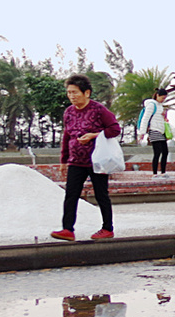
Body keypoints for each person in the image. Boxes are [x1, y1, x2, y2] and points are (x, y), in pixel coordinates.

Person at [50, 74, 122, 241]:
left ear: (87, 93)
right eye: (69, 93)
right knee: (71, 194)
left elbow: (115, 129)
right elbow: (66, 136)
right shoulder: (68, 112)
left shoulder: (98, 110)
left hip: (97, 161)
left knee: (101, 194)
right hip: (76, 161)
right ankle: (67, 229)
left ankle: (107, 228)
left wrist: (94, 135)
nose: (72, 96)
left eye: (75, 92)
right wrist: (63, 160)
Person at [137, 88, 170, 177]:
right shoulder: (151, 105)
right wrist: (142, 132)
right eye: (162, 98)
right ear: (157, 96)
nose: (163, 100)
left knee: (165, 152)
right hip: (154, 130)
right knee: (157, 152)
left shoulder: (160, 106)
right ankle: (155, 173)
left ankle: (163, 172)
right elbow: (145, 118)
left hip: (161, 130)